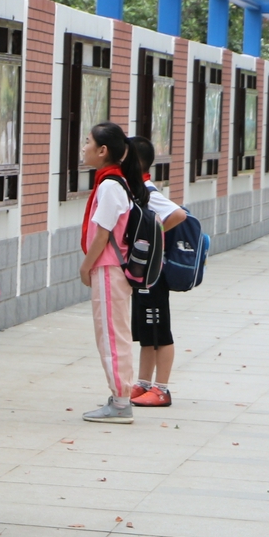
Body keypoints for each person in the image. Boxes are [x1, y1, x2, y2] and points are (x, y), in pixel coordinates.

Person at [77, 122, 149, 424]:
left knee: (111, 335)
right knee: (114, 332)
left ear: (103, 151)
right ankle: (119, 396)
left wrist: (85, 266)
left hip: (108, 268)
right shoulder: (114, 182)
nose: (84, 147)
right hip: (113, 270)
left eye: (88, 141)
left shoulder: (109, 185)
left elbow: (103, 235)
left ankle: (120, 401)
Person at [126, 136, 188, 408]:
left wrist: (155, 236)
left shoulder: (148, 191)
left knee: (160, 331)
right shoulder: (136, 190)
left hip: (155, 273)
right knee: (146, 331)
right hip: (143, 273)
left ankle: (162, 388)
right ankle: (142, 383)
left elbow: (179, 214)